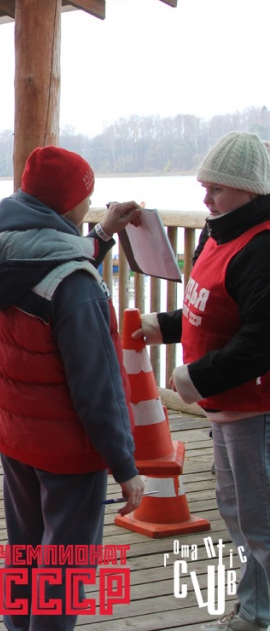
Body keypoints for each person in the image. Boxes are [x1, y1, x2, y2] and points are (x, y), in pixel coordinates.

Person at [0, 145, 145, 631]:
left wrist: (101, 236)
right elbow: (97, 385)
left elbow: (46, 264)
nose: (89, 203)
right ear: (68, 202)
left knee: (24, 550)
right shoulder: (75, 286)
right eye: (86, 195)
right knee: (64, 567)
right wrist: (124, 464)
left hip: (15, 431)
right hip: (67, 444)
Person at [134, 132, 270, 631]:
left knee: (260, 520)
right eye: (204, 187)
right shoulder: (219, 234)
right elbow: (208, 309)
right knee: (238, 513)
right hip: (226, 407)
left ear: (248, 191)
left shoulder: (262, 247)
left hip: (255, 408)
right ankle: (255, 609)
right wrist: (163, 326)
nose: (206, 198)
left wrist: (195, 376)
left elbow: (261, 339)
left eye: (217, 189)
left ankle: (258, 612)